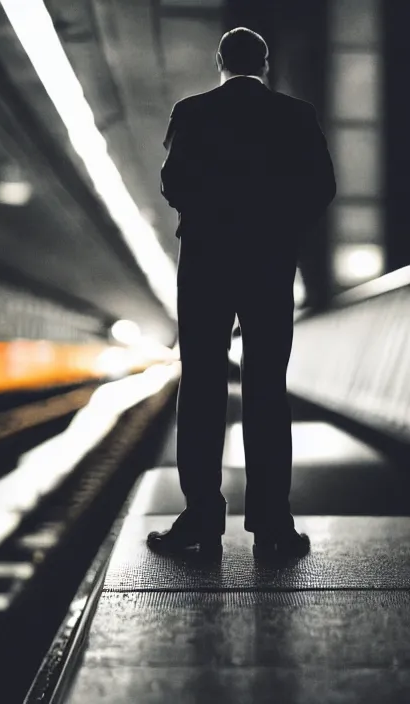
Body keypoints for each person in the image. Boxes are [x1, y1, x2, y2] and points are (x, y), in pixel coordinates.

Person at [147, 27, 336, 560]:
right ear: (265, 64)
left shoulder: (192, 111)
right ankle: (273, 525)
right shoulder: (296, 115)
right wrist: (280, 225)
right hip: (270, 261)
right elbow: (321, 186)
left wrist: (210, 213)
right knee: (267, 388)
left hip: (206, 259)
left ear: (220, 62)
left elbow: (173, 182)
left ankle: (202, 519)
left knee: (202, 384)